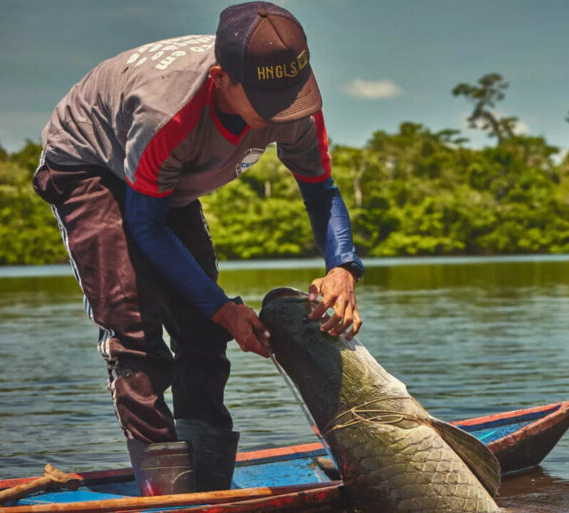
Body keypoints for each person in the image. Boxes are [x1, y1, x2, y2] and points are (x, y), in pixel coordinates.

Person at [32, 1, 364, 496]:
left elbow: (320, 191)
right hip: (90, 164)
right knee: (134, 328)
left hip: (165, 181)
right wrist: (224, 307)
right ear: (220, 78)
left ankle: (208, 481)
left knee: (205, 332)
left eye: (290, 96)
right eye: (266, 101)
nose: (281, 115)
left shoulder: (294, 103)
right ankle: (167, 490)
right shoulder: (169, 111)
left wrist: (342, 268)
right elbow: (147, 227)